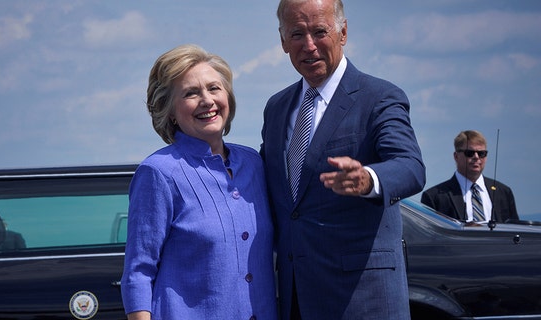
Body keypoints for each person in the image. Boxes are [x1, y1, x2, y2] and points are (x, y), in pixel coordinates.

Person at [260, 0, 426, 319]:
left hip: (363, 299)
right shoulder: (277, 107)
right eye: (297, 34)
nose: (309, 45)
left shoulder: (378, 97)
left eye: (320, 31)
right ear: (282, 41)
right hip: (295, 299)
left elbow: (410, 167)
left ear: (343, 32)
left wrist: (368, 179)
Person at [121, 44, 277, 320]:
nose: (207, 100)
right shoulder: (158, 173)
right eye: (191, 93)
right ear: (169, 110)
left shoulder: (253, 163)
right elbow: (139, 272)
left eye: (214, 88)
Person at [421, 130, 518, 223]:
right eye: (470, 153)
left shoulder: (503, 193)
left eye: (481, 154)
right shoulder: (435, 197)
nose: (476, 157)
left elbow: (516, 232)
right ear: (456, 156)